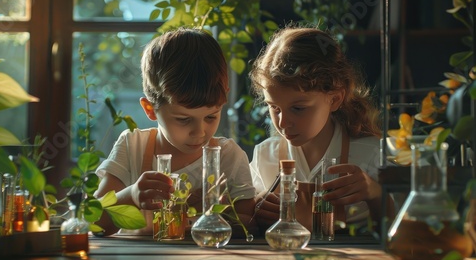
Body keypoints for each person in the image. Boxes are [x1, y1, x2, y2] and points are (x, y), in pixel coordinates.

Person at [94, 27, 257, 237]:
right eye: (183, 119)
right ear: (150, 109)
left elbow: (250, 225)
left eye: (211, 116)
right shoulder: (132, 147)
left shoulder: (228, 156)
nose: (199, 132)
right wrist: (131, 196)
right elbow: (95, 223)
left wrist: (216, 214)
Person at [248, 25, 395, 234]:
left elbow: (402, 234)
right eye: (274, 108)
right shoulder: (264, 157)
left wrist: (375, 193)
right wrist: (255, 209)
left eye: (298, 108)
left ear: (335, 99)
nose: (282, 122)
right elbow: (246, 226)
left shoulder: (371, 155)